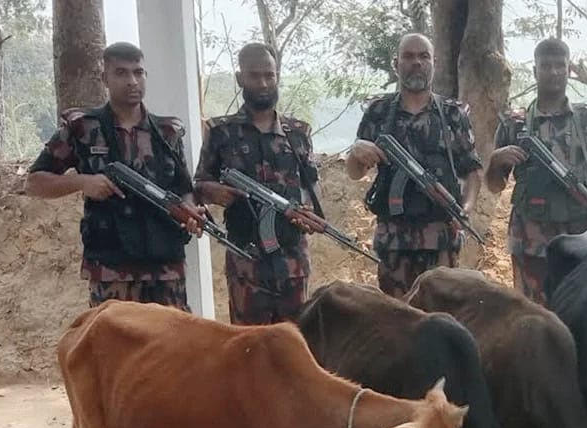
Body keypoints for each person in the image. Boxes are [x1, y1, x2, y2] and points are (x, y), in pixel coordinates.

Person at [25, 42, 204, 310]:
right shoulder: (83, 128)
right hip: (111, 269)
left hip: (166, 268)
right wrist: (82, 182)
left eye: (138, 72)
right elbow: (34, 182)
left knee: (174, 338)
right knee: (113, 339)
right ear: (105, 78)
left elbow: (184, 187)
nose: (132, 81)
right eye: (121, 73)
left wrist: (189, 210)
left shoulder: (167, 132)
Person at [346, 33, 483, 299]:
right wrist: (356, 151)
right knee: (397, 318)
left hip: (441, 240)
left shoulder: (453, 114)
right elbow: (355, 172)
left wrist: (464, 211)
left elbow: (473, 171)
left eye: (424, 56)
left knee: (441, 316)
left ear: (434, 63)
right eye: (408, 56)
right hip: (394, 243)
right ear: (396, 64)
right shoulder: (378, 112)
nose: (417, 63)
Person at [194, 42, 318, 324]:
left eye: (269, 75)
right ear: (240, 79)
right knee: (248, 344)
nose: (263, 83)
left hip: (292, 264)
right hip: (245, 264)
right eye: (254, 75)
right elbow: (200, 184)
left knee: (293, 342)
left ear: (277, 77)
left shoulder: (298, 133)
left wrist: (304, 209)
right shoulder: (221, 132)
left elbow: (312, 186)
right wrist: (215, 192)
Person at [485, 38, 587, 303]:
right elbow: (495, 186)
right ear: (535, 71)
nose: (553, 72)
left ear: (569, 70)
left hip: (579, 239)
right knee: (532, 316)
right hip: (530, 242)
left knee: (578, 311)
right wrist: (496, 161)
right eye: (546, 66)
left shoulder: (586, 120)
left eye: (559, 65)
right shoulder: (514, 124)